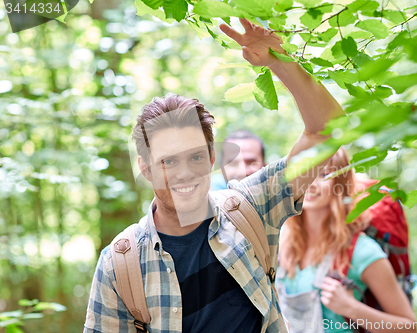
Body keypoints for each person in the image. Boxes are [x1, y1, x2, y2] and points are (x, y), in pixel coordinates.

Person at [84, 18, 344, 333]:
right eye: (168, 162)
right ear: (145, 168)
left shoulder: (251, 207)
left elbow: (327, 131)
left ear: (211, 158)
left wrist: (280, 61)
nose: (184, 173)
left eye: (195, 157)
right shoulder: (120, 264)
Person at [276, 148, 416, 333]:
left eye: (323, 174)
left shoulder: (361, 251)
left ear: (340, 184)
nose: (310, 183)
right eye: (304, 173)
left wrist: (351, 307)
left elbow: (408, 328)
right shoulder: (281, 239)